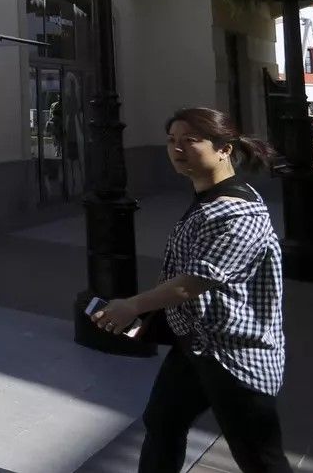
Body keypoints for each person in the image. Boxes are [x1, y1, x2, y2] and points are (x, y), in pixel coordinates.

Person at [91, 107, 289, 473]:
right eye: (171, 141)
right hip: (195, 343)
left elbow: (192, 284)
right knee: (163, 423)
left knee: (261, 458)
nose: (177, 149)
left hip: (235, 354)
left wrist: (133, 305)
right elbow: (181, 272)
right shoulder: (208, 197)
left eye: (190, 141)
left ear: (224, 149)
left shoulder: (238, 213)